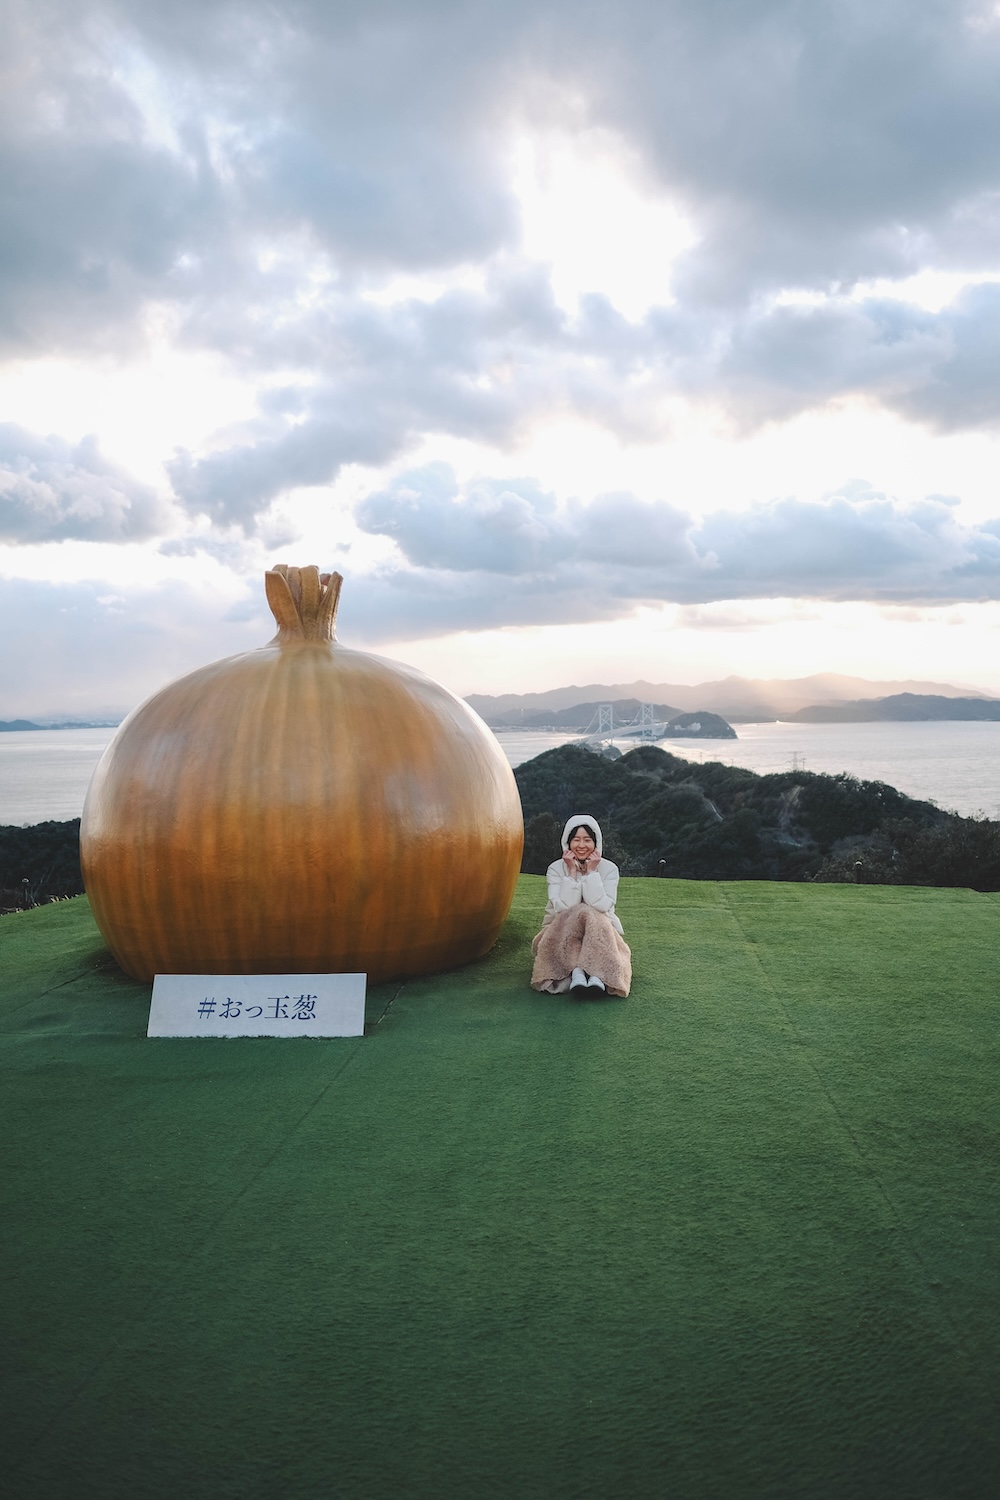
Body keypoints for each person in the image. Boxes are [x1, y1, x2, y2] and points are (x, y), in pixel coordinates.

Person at [529, 814, 632, 997]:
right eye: (576, 840)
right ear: (568, 843)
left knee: (590, 912)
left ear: (596, 843)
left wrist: (591, 873)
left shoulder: (609, 869)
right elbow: (563, 908)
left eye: (587, 840)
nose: (582, 845)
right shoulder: (555, 869)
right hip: (560, 931)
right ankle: (579, 973)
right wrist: (571, 872)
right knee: (580, 911)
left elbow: (602, 906)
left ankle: (595, 976)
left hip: (601, 932)